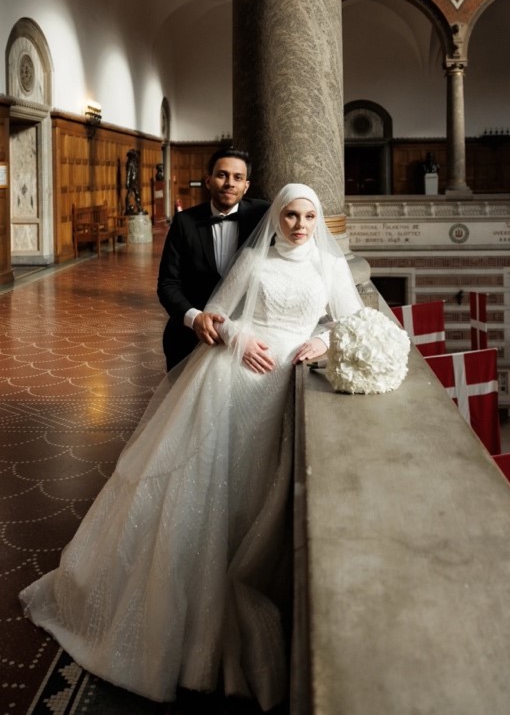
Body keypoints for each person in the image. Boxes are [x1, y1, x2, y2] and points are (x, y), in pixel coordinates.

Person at [20, 183, 362, 709]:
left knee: (261, 492)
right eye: (290, 215)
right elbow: (215, 317)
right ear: (277, 217)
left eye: (308, 216)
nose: (299, 224)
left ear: (318, 220)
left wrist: (324, 340)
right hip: (236, 384)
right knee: (215, 492)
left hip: (286, 387)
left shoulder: (328, 268)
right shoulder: (256, 263)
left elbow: (350, 319)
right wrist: (241, 337)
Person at [157, 147, 269, 370]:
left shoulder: (263, 215)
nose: (230, 183)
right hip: (188, 337)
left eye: (238, 178)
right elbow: (167, 284)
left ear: (246, 186)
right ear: (208, 181)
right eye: (222, 175)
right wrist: (194, 318)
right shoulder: (184, 222)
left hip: (244, 338)